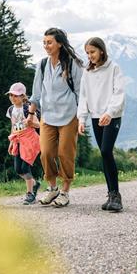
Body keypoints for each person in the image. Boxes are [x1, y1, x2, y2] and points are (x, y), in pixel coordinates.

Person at [27, 28, 83, 207]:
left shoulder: (72, 63)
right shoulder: (42, 64)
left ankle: (65, 191)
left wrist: (81, 118)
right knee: (46, 153)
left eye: (49, 42)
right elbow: (36, 93)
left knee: (65, 153)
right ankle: (53, 188)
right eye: (44, 43)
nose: (46, 46)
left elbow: (81, 93)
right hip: (47, 116)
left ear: (59, 43)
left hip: (69, 116)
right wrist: (31, 114)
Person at [77, 37, 125, 212]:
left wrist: (110, 113)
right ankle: (111, 194)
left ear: (102, 51)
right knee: (105, 155)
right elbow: (83, 97)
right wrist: (81, 119)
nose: (90, 56)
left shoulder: (114, 68)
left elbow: (118, 93)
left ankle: (116, 196)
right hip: (96, 117)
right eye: (88, 53)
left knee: (106, 150)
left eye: (93, 52)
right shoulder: (87, 72)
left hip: (112, 116)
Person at [6, 82, 41, 205]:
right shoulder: (10, 110)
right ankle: (35, 184)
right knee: (18, 169)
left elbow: (39, 124)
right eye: (11, 95)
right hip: (18, 140)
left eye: (16, 95)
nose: (13, 98)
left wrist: (31, 123)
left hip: (30, 140)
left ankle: (30, 194)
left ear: (23, 96)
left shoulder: (28, 108)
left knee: (25, 167)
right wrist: (11, 141)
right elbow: (13, 126)